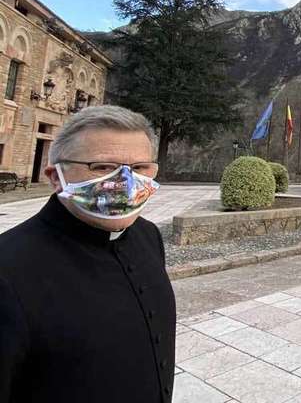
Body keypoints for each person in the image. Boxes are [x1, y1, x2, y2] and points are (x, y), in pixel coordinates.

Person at [0, 105, 176, 402]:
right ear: (56, 177)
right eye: (103, 167)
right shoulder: (6, 270)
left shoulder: (149, 236)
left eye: (139, 168)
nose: (126, 182)